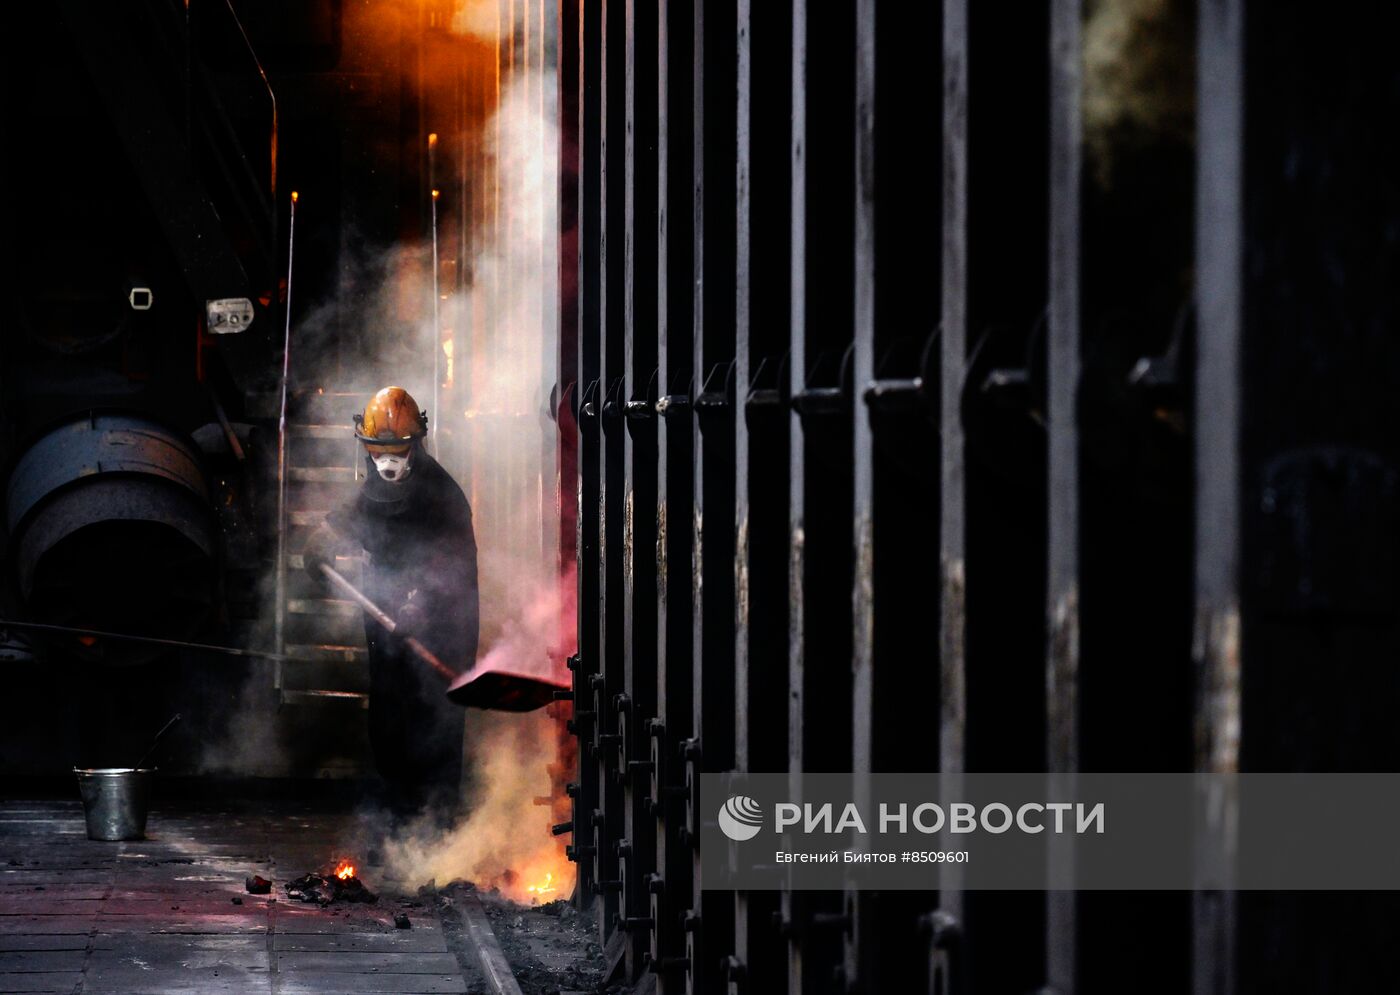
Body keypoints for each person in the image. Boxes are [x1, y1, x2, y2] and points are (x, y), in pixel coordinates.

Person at [301, 386, 478, 816]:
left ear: (416, 444)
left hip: (440, 632)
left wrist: (420, 603)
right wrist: (322, 540)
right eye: (378, 448)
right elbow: (351, 516)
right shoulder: (373, 486)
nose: (388, 460)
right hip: (387, 629)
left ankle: (437, 830)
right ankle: (398, 830)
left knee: (432, 727)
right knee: (388, 725)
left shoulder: (443, 496)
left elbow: (453, 569)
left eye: (397, 448)